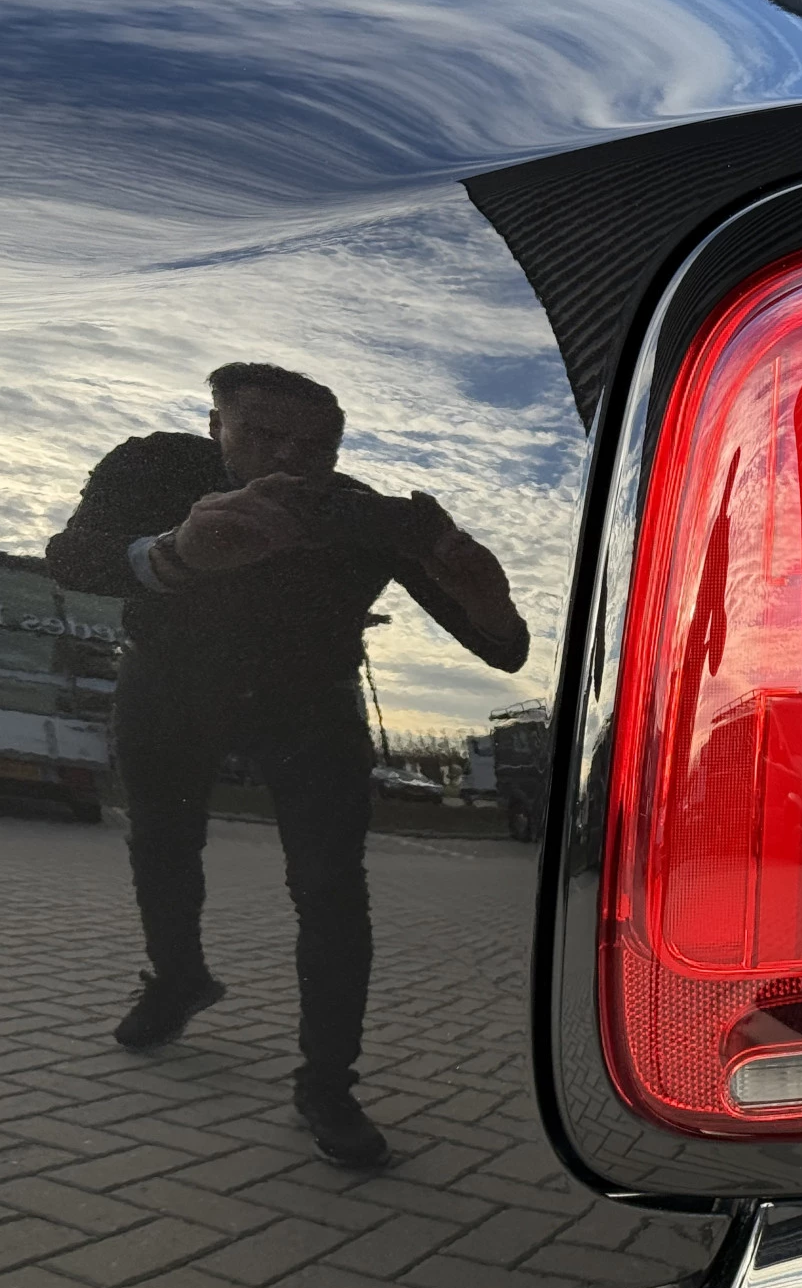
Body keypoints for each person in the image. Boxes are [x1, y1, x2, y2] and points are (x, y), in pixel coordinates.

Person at [46, 363, 527, 1168]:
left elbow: (501, 648)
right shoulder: (155, 464)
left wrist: (487, 597)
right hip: (169, 679)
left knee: (332, 888)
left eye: (316, 449)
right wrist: (176, 553)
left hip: (309, 699)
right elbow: (69, 556)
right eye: (263, 436)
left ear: (337, 451)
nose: (289, 463)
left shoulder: (362, 514)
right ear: (215, 427)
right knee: (161, 840)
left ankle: (328, 1084)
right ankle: (178, 978)